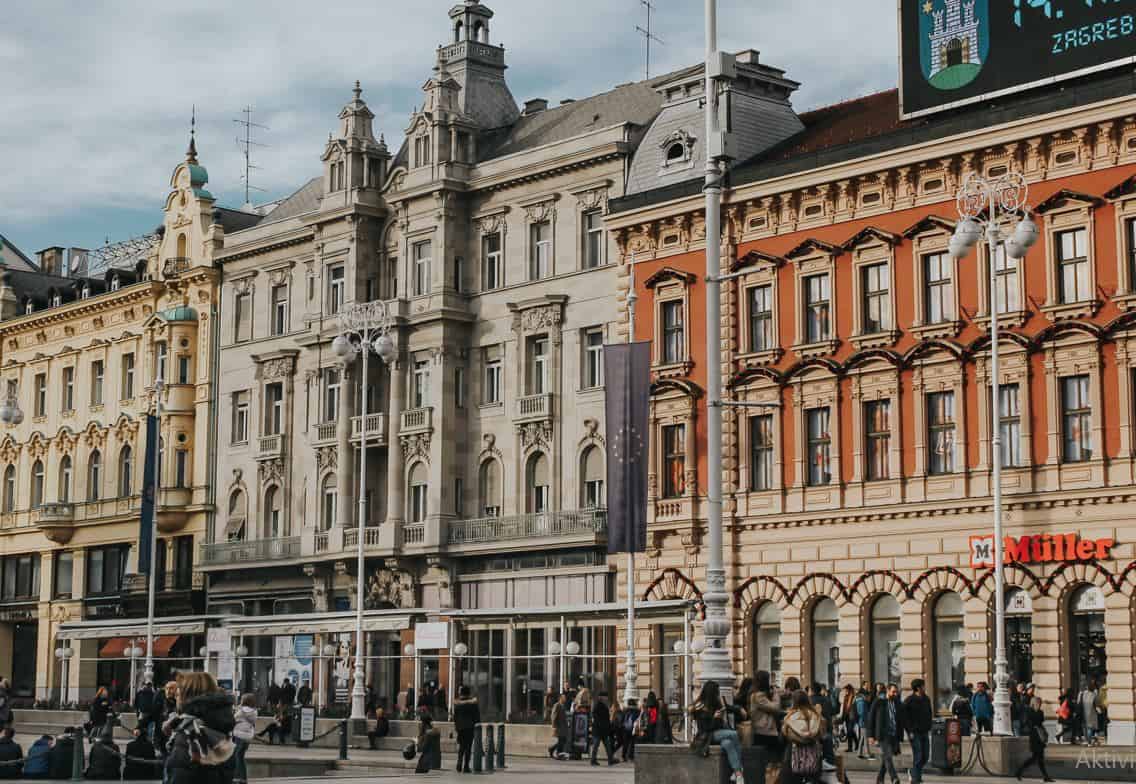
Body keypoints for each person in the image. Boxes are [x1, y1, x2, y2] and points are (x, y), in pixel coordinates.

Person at [163, 671, 235, 784]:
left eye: (178, 694)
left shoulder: (190, 732)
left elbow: (180, 775)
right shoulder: (220, 728)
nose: (176, 698)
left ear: (187, 696)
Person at [689, 681, 746, 784]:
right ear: (711, 692)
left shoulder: (716, 703)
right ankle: (740, 768)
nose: (718, 694)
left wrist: (719, 717)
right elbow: (705, 728)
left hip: (717, 733)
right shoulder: (700, 706)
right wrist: (715, 718)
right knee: (734, 734)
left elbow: (719, 724)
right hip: (706, 736)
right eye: (716, 692)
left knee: (728, 743)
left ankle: (737, 773)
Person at [782, 690, 824, 784]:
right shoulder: (816, 715)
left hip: (795, 756)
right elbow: (820, 733)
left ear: (794, 701)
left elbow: (786, 734)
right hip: (813, 755)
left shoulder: (790, 717)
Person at [868, 683, 905, 784]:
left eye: (896, 692)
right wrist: (870, 735)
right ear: (888, 691)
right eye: (893, 692)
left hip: (894, 734)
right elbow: (871, 718)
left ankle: (880, 779)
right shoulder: (879, 702)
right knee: (888, 756)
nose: (895, 694)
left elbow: (901, 718)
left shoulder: (897, 702)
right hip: (882, 734)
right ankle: (894, 778)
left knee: (886, 757)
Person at [1015, 696, 1054, 782]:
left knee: (1039, 758)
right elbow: (1030, 722)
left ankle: (1045, 776)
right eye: (1038, 703)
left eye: (1040, 703)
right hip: (1034, 736)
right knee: (1035, 758)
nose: (1040, 704)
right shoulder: (1029, 711)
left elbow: (1039, 721)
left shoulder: (1040, 712)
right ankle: (1019, 771)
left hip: (1039, 736)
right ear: (1034, 703)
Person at [904, 679, 933, 784]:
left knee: (925, 756)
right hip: (914, 732)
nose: (925, 688)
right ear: (918, 688)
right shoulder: (909, 700)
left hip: (925, 730)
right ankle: (916, 779)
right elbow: (905, 717)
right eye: (923, 686)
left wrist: (929, 726)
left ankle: (913, 772)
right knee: (918, 754)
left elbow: (929, 713)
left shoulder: (926, 699)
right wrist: (909, 730)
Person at [750, 669, 785, 758]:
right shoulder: (758, 696)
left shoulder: (762, 695)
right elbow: (775, 708)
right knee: (773, 758)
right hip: (765, 731)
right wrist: (776, 693)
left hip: (765, 731)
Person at [452, 686, 480, 774]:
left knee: (461, 746)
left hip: (460, 727)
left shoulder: (458, 704)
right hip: (469, 727)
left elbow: (455, 717)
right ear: (468, 693)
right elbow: (477, 716)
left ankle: (459, 763)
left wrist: (456, 727)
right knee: (468, 747)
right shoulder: (473, 703)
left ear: (461, 693)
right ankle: (466, 766)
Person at [231, 694, 257, 784]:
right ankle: (243, 778)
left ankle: (237, 777)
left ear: (244, 701)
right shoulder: (254, 711)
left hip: (239, 735)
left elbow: (234, 718)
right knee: (241, 757)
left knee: (237, 756)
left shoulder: (242, 710)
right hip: (247, 736)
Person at [590, 692, 615, 766]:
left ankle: (610, 759)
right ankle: (593, 760)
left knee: (607, 746)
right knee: (596, 745)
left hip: (602, 730)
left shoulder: (603, 706)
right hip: (599, 730)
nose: (606, 698)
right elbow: (597, 718)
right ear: (601, 698)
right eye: (605, 697)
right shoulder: (598, 706)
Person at [414, 710, 441, 774]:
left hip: (426, 761)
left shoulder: (428, 734)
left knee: (418, 773)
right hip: (434, 760)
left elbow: (421, 748)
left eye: (420, 721)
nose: (418, 723)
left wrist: (416, 742)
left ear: (423, 723)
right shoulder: (433, 731)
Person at [570, 688, 591, 760]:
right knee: (578, 739)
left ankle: (578, 754)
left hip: (581, 725)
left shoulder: (581, 708)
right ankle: (577, 754)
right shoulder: (579, 708)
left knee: (580, 739)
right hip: (579, 724)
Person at [1079, 679, 1100, 745]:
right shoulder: (1094, 694)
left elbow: (1078, 702)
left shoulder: (1082, 693)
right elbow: (1096, 704)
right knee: (1090, 727)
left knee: (1085, 727)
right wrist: (1099, 710)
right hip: (1091, 712)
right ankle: (1089, 741)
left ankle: (1087, 740)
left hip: (1083, 712)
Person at [548, 692, 569, 760]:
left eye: (565, 698)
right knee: (561, 741)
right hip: (559, 727)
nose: (565, 699)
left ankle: (552, 749)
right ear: (560, 698)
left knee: (563, 740)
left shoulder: (563, 706)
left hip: (563, 727)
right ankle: (558, 754)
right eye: (563, 698)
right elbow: (553, 716)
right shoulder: (557, 705)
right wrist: (554, 726)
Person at [855, 687, 874, 759]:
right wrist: (865, 721)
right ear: (864, 695)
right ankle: (867, 753)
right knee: (865, 738)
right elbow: (862, 713)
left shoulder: (860, 701)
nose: (868, 698)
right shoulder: (862, 702)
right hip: (863, 722)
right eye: (868, 696)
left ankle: (859, 753)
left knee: (862, 738)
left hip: (862, 721)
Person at [840, 684, 857, 753]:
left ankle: (850, 747)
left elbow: (852, 706)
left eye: (846, 690)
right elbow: (843, 706)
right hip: (847, 716)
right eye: (844, 690)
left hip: (852, 716)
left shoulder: (853, 697)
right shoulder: (845, 697)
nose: (845, 691)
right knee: (850, 731)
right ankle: (856, 742)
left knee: (850, 731)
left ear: (849, 690)